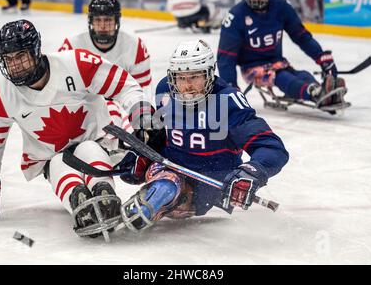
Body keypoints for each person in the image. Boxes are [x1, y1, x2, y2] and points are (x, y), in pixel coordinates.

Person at [0, 19, 156, 239]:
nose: (14, 66)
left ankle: (104, 192)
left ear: (36, 51)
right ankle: (78, 200)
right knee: (57, 163)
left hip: (96, 143)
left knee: (89, 149)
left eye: (21, 56)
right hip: (49, 157)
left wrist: (142, 115)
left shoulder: (76, 63)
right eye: (8, 59)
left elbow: (123, 85)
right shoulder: (2, 93)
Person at [115, 39, 289, 232]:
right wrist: (141, 152)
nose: (187, 86)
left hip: (211, 183)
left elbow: (272, 148)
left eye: (194, 77)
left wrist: (251, 172)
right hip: (168, 167)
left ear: (209, 74)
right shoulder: (165, 90)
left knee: (166, 188)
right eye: (181, 78)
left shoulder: (227, 102)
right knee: (162, 185)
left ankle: (140, 213)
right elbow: (159, 135)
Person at [217, 0, 348, 112]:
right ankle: (314, 94)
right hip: (252, 67)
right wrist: (230, 87)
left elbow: (301, 36)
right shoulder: (236, 15)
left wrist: (321, 56)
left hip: (277, 62)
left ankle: (322, 91)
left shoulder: (282, 7)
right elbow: (226, 57)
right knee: (281, 76)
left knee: (303, 75)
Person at [59, 0, 152, 137]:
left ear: (116, 21)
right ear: (91, 21)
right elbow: (63, 93)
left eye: (108, 20)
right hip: (84, 108)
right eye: (98, 20)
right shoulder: (71, 47)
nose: (102, 25)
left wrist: (141, 122)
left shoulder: (135, 46)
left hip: (122, 106)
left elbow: (141, 92)